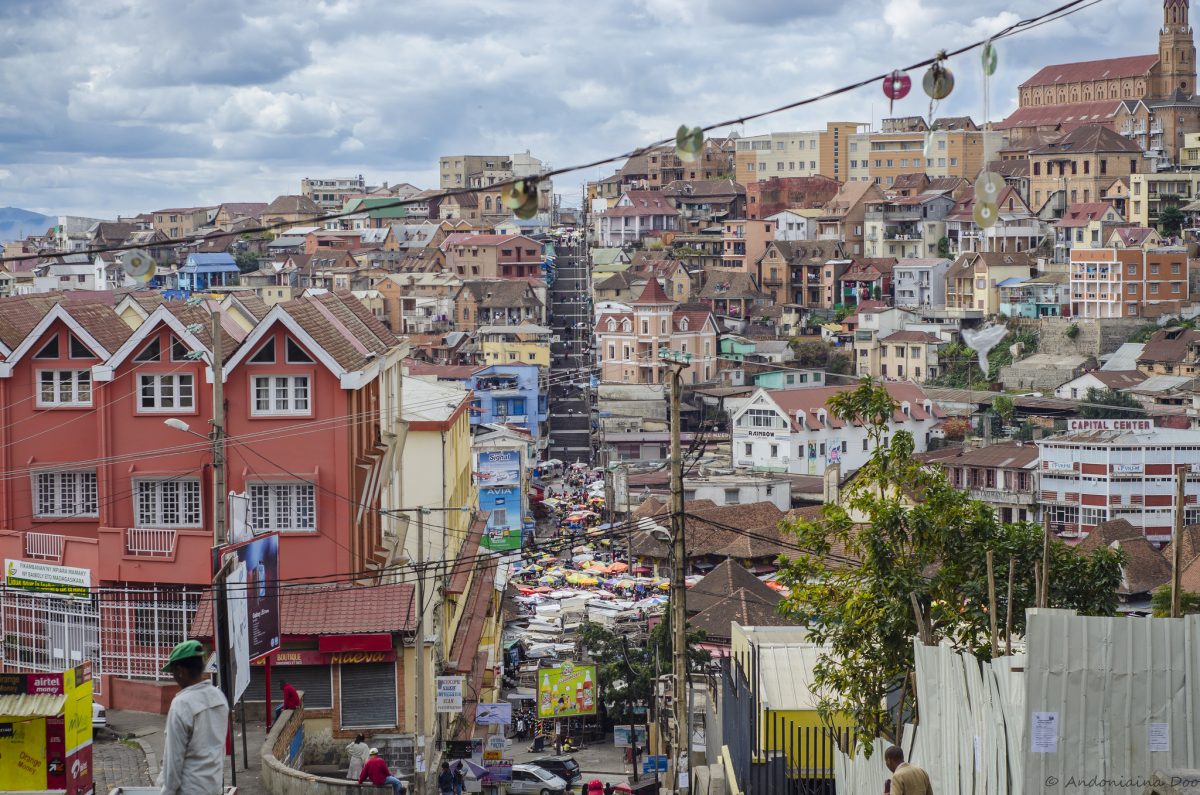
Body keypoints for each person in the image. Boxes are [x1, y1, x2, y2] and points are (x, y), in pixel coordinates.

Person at [156, 640, 229, 795]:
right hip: (214, 788)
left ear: (180, 670)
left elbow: (173, 761)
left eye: (173, 672)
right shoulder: (219, 697)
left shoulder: (181, 704)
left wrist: (167, 791)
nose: (173, 676)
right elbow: (219, 749)